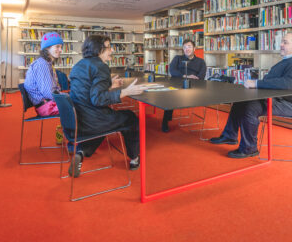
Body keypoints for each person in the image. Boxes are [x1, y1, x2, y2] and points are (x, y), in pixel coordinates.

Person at [209, 32, 292, 158]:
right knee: (241, 100)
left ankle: (249, 148)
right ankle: (229, 136)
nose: (281, 45)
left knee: (250, 106)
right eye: (281, 42)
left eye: (285, 42)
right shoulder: (290, 61)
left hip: (287, 104)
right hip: (276, 99)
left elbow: (288, 84)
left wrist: (257, 83)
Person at [68, 34, 148, 177]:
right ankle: (134, 159)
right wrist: (125, 91)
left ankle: (81, 152)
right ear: (98, 49)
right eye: (109, 47)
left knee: (107, 124)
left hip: (78, 119)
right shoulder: (101, 67)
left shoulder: (79, 65)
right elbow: (97, 99)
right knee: (130, 118)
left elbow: (87, 91)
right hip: (94, 121)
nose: (111, 51)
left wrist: (109, 85)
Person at [162, 39, 207, 132]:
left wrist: (193, 79)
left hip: (193, 87)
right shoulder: (177, 58)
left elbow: (202, 75)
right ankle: (165, 121)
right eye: (185, 47)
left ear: (194, 49)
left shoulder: (201, 62)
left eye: (189, 46)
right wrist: (185, 76)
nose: (187, 49)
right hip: (177, 85)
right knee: (170, 96)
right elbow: (172, 70)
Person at [23, 32, 64, 117]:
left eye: (61, 47)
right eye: (57, 46)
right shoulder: (42, 64)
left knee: (78, 101)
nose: (60, 50)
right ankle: (72, 130)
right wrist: (65, 97)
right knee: (80, 107)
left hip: (48, 103)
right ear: (47, 48)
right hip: (47, 106)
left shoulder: (46, 63)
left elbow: (53, 89)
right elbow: (48, 93)